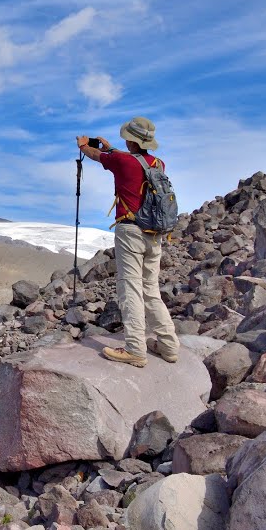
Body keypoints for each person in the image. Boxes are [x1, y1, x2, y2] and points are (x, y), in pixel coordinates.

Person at [76, 116, 181, 368]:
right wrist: (110, 147)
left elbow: (95, 155)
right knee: (150, 290)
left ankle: (135, 349)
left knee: (130, 289)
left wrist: (83, 145)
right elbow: (132, 160)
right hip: (154, 234)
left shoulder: (121, 161)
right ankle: (169, 346)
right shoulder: (158, 163)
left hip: (130, 232)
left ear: (130, 140)